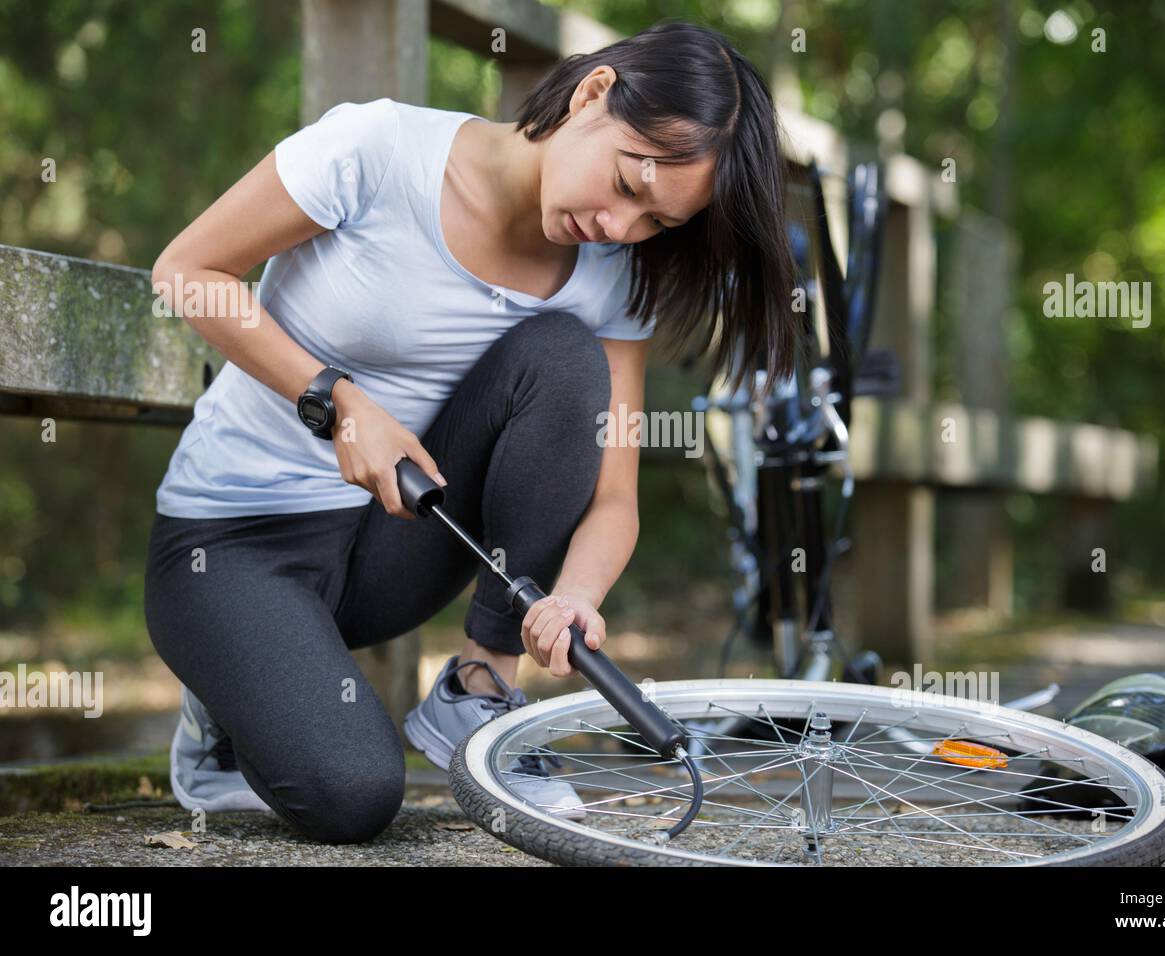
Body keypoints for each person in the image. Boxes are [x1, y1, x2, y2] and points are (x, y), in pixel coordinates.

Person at [144, 19, 804, 844]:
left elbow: (613, 498)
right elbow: (186, 273)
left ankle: (479, 690)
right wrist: (339, 402)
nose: (622, 228)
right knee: (354, 797)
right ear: (594, 93)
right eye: (630, 186)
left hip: (392, 550)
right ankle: (222, 710)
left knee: (566, 362)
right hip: (231, 544)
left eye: (656, 224)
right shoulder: (375, 150)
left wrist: (576, 598)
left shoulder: (609, 275)